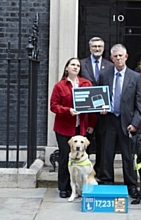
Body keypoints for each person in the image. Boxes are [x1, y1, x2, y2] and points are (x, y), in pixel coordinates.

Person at [98, 44, 141, 198]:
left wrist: (135, 123)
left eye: (121, 56)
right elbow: (99, 96)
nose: (118, 58)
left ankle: (131, 185)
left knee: (128, 156)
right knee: (107, 154)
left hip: (127, 122)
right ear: (111, 58)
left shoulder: (135, 77)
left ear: (126, 57)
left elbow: (139, 104)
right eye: (115, 56)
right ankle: (106, 182)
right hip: (109, 119)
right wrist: (100, 108)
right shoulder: (104, 75)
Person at [50, 57, 97, 198]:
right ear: (67, 68)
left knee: (81, 158)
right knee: (65, 157)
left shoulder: (86, 84)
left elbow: (93, 106)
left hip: (81, 128)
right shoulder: (60, 86)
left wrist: (91, 125)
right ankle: (64, 188)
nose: (76, 67)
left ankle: (82, 187)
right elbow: (53, 106)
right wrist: (67, 110)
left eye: (77, 65)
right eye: (72, 65)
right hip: (64, 128)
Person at [80, 37, 113, 178]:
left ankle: (99, 171)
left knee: (102, 142)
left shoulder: (110, 65)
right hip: (86, 111)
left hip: (103, 111)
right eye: (94, 46)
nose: (97, 49)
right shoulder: (82, 64)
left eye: (99, 46)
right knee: (84, 141)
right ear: (90, 48)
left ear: (103, 48)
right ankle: (83, 170)